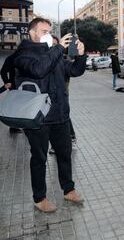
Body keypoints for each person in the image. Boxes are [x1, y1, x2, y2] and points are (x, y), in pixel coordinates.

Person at [13, 17, 86, 212]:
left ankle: (68, 189)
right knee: (39, 158)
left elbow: (75, 71)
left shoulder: (53, 53)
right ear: (32, 33)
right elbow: (39, 69)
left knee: (64, 154)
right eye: (44, 31)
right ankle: (39, 198)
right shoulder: (22, 54)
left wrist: (80, 55)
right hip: (38, 118)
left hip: (60, 114)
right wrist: (57, 49)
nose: (49, 35)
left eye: (49, 31)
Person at [48, 35, 77, 155]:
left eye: (56, 45)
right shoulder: (45, 60)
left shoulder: (63, 61)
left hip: (62, 96)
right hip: (48, 97)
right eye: (52, 45)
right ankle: (57, 144)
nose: (54, 48)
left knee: (64, 118)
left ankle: (71, 138)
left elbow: (74, 71)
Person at [0, 52, 22, 133]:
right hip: (15, 86)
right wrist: (7, 82)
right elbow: (3, 71)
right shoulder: (12, 58)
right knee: (15, 106)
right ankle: (14, 126)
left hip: (26, 85)